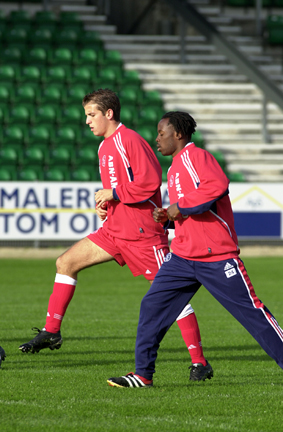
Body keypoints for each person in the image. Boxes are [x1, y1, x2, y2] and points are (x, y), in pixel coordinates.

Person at [19, 90, 213, 381]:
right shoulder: (104, 147)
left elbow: (149, 184)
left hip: (142, 234)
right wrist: (106, 206)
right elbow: (118, 189)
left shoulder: (130, 140)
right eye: (86, 115)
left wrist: (115, 193)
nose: (87, 121)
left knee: (172, 297)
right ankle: (51, 332)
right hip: (113, 231)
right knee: (65, 263)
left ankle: (199, 362)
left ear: (109, 113)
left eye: (91, 114)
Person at [107, 110, 283, 388]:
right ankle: (143, 375)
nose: (156, 139)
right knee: (152, 305)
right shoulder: (175, 166)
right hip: (183, 258)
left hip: (216, 257)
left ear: (178, 134)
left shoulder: (196, 157)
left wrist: (180, 208)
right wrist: (170, 218)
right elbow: (194, 212)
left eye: (161, 133)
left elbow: (217, 187)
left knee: (252, 313)